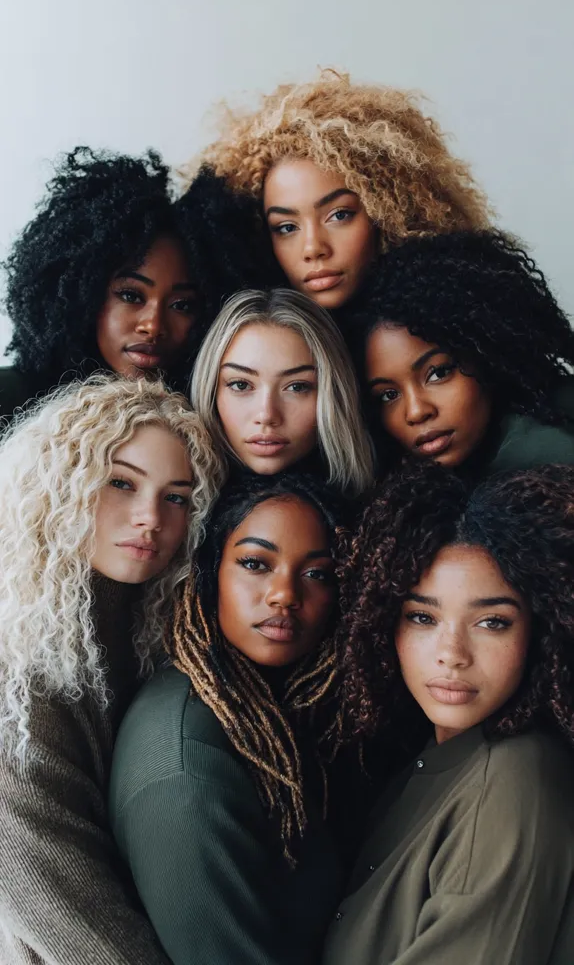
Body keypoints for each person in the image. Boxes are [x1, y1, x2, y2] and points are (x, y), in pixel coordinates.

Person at [0, 374, 225, 965]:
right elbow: (42, 883)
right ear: (60, 486)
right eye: (120, 483)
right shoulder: (18, 657)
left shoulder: (144, 623)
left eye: (176, 496)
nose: (150, 517)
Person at [323, 461, 574, 965]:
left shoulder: (512, 783)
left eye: (491, 621)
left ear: (540, 632)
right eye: (422, 617)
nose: (451, 653)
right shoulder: (429, 754)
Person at [110, 473, 346, 965]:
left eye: (317, 573)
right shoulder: (185, 770)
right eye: (256, 564)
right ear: (210, 572)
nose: (284, 594)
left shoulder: (270, 706)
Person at [0, 147, 271, 422]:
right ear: (82, 294)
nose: (153, 326)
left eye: (182, 305)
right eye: (130, 296)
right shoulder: (11, 399)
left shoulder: (220, 424)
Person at [193, 68, 491, 312]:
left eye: (339, 215)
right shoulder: (259, 345)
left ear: (390, 214)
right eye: (286, 227)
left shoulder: (444, 326)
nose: (313, 248)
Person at [346, 229, 574, 477]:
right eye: (388, 395)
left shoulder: (544, 463)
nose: (416, 412)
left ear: (487, 353)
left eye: (438, 373)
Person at [190, 287, 374, 495]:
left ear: (332, 393)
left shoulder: (286, 517)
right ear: (211, 390)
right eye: (241, 385)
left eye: (297, 387)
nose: (267, 415)